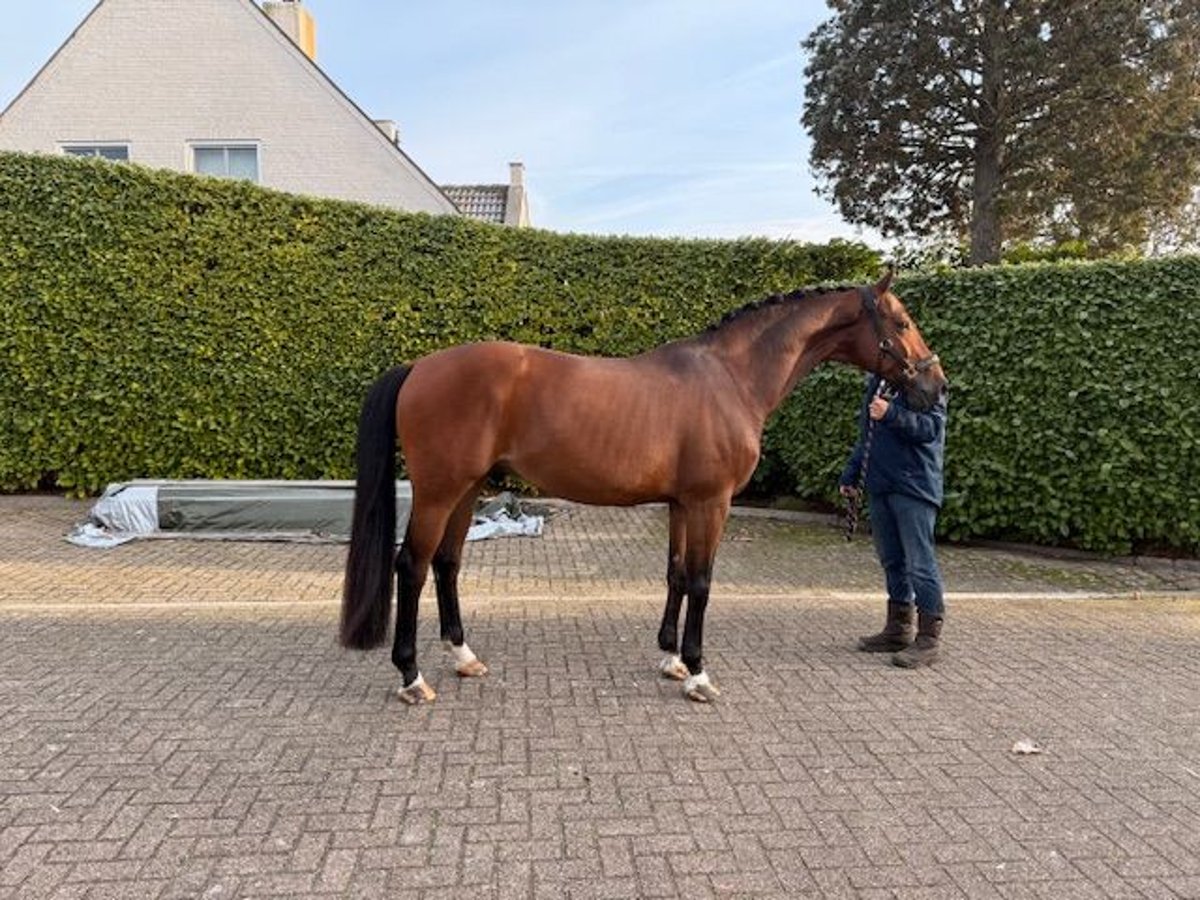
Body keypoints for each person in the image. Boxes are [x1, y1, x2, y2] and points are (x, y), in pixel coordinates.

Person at [839, 373, 948, 667]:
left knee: (919, 563)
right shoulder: (878, 382)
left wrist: (892, 414)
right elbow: (868, 435)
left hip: (914, 486)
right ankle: (898, 628)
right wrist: (851, 474)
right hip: (881, 485)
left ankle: (928, 639)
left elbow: (931, 429)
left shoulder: (928, 383)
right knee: (892, 560)